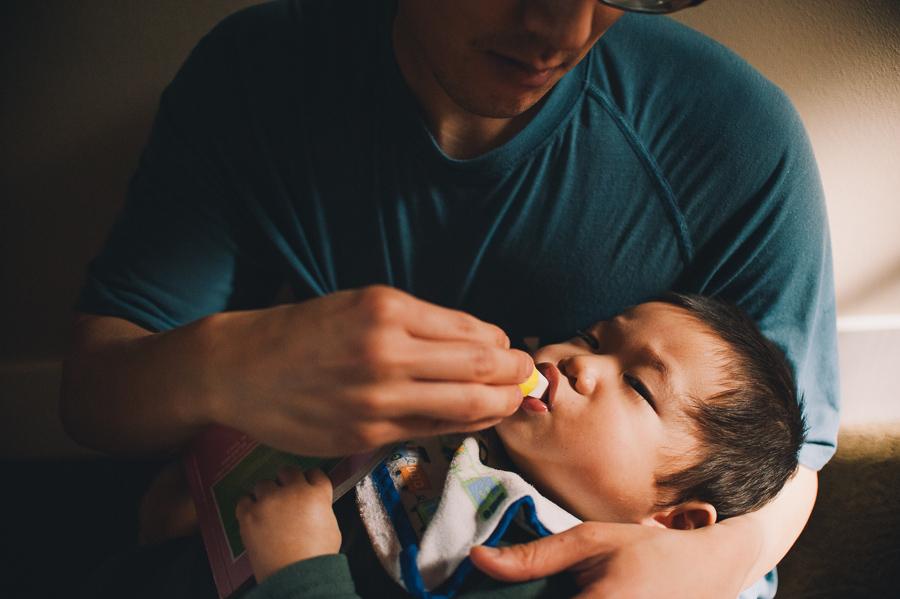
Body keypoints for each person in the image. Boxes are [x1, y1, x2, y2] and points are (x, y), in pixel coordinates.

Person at [59, 0, 840, 598]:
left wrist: (712, 561)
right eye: (596, 334)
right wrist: (224, 374)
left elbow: (788, 465)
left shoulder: (736, 134)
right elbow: (93, 392)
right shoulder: (258, 76)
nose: (561, 29)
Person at [235, 293, 807, 599]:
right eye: (593, 337)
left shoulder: (547, 575)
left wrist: (299, 568)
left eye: (637, 385)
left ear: (677, 523)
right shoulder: (477, 436)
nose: (581, 361)